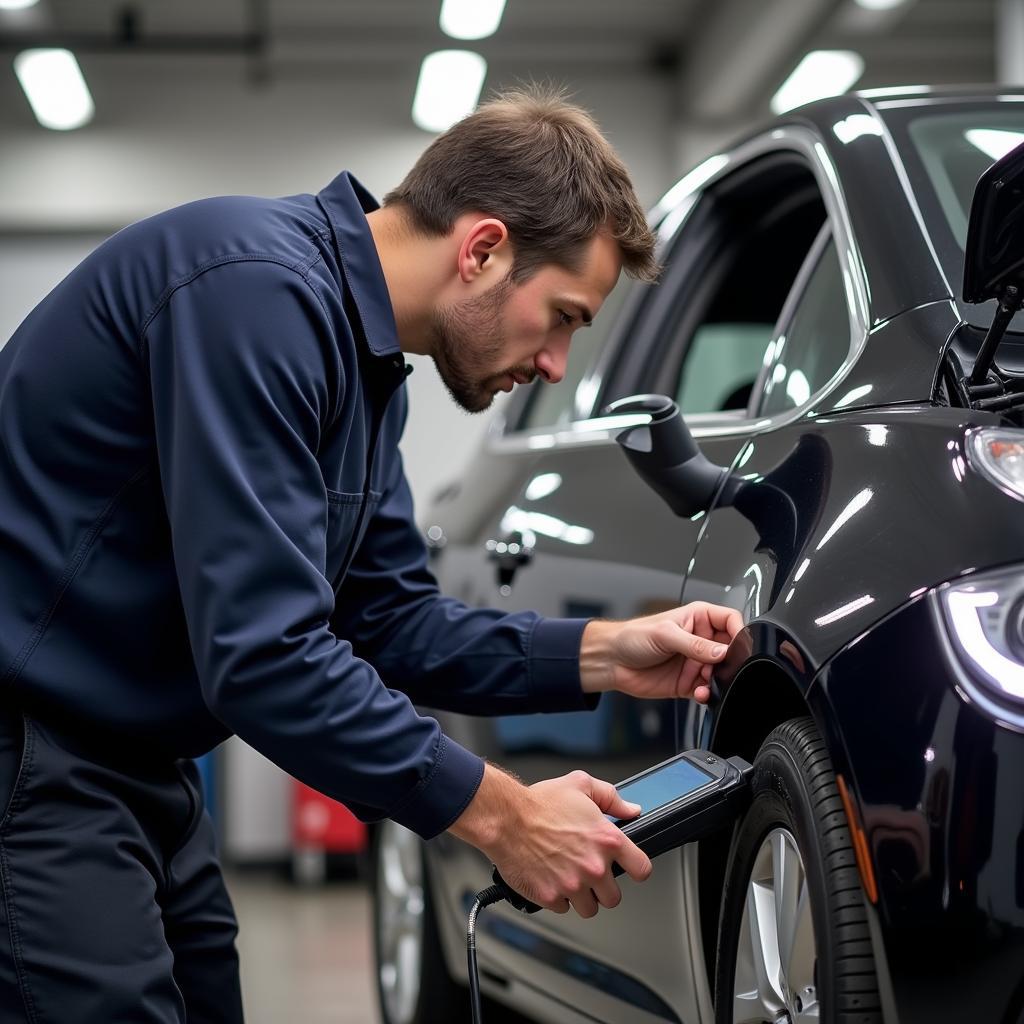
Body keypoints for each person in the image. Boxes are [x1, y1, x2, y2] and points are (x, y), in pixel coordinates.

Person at [0, 87, 742, 1022]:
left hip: (140, 763)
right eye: (561, 317)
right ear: (482, 249)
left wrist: (604, 653)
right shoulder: (250, 295)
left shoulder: (366, 371)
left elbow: (387, 619)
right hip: (32, 754)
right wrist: (505, 817)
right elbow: (263, 655)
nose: (555, 365)